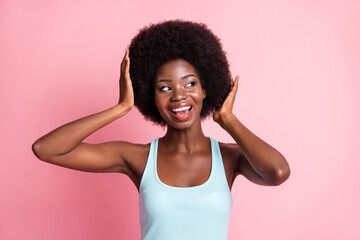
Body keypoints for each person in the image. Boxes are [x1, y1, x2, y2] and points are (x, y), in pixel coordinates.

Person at [32, 20, 290, 240]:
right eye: (165, 88)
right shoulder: (138, 158)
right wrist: (120, 108)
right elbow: (47, 149)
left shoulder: (231, 157)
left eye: (189, 84)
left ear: (205, 89)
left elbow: (277, 173)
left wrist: (228, 119)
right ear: (151, 97)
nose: (179, 96)